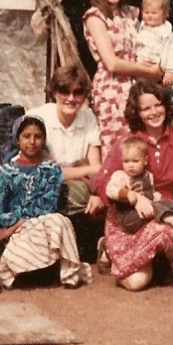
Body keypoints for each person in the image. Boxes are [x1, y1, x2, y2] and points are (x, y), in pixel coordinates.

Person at [94, 80, 173, 291]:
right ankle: (112, 251)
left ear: (166, 105)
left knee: (165, 235)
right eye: (146, 108)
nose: (154, 112)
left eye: (158, 105)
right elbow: (101, 182)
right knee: (136, 282)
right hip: (129, 217)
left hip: (165, 214)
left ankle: (161, 258)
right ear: (137, 113)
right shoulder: (128, 142)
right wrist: (132, 196)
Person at [0, 116, 89, 289]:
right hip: (14, 236)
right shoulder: (5, 172)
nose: (32, 142)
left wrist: (16, 224)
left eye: (38, 136)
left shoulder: (51, 170)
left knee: (59, 220)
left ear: (44, 140)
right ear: (17, 139)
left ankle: (68, 276)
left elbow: (46, 208)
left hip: (40, 228)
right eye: (26, 136)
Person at [83, 0, 163, 159]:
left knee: (139, 146)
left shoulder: (131, 14)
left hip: (137, 88)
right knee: (117, 147)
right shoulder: (95, 17)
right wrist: (149, 71)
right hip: (112, 89)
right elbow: (112, 63)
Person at [27, 64, 106, 261]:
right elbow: (47, 172)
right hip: (41, 186)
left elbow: (97, 169)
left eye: (78, 93)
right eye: (64, 91)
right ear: (54, 92)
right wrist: (85, 169)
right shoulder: (38, 118)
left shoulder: (88, 118)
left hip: (74, 184)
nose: (71, 98)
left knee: (96, 197)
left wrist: (96, 193)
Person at [105, 136, 173, 238]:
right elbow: (111, 189)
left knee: (171, 205)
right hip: (130, 217)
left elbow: (149, 191)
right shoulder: (121, 176)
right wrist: (126, 193)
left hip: (148, 212)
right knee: (154, 206)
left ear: (144, 161)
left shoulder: (147, 175)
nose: (130, 165)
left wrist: (156, 196)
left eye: (135, 161)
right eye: (126, 161)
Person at [136, 0, 173, 87]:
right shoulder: (141, 28)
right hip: (140, 65)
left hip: (156, 68)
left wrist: (170, 72)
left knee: (158, 90)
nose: (149, 15)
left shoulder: (167, 33)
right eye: (146, 12)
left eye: (154, 13)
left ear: (165, 14)